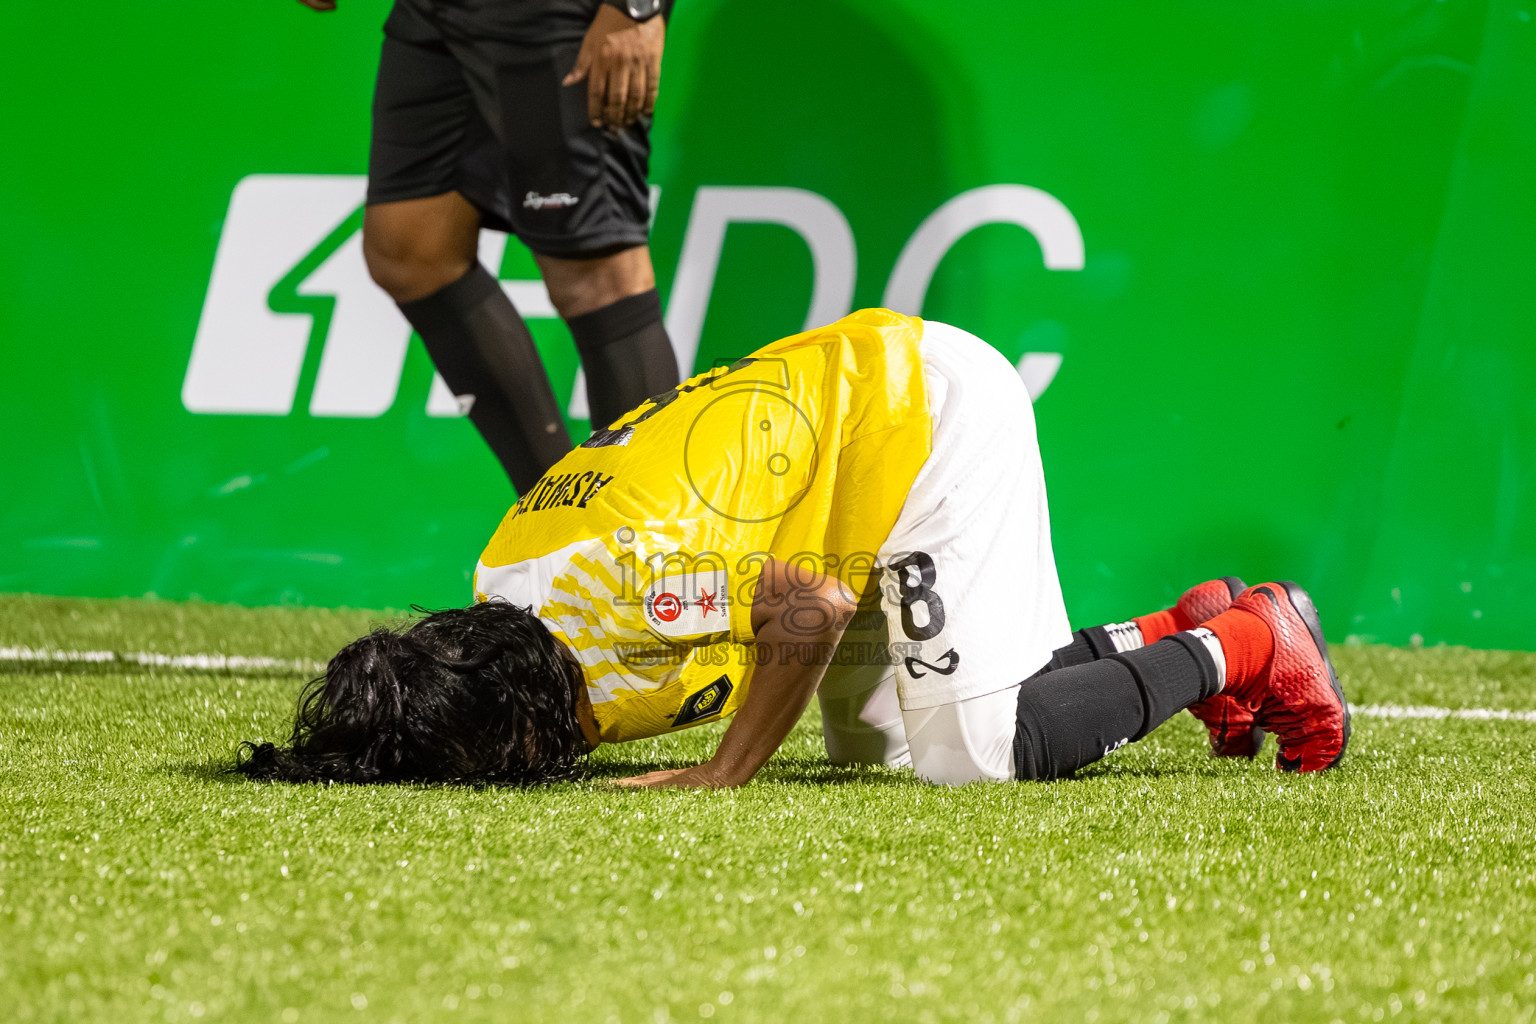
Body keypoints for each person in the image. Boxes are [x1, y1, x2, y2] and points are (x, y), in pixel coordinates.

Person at [238, 310, 1350, 788]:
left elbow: (809, 607)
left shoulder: (634, 590)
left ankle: (1250, 643)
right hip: (849, 444)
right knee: (889, 755)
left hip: (922, 423)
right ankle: (1166, 630)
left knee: (978, 756)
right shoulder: (503, 583)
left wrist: (729, 770)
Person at [298, 0, 680, 492]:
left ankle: (655, 543)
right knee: (411, 249)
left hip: (550, 15)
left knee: (598, 278)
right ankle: (554, 526)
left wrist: (637, 9)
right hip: (437, 12)